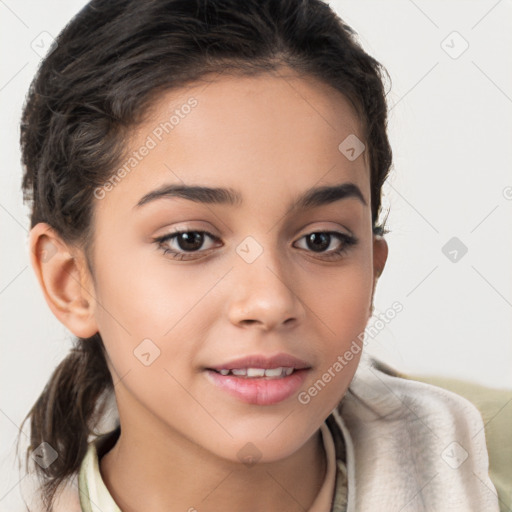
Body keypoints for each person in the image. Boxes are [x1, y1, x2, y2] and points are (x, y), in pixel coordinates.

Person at [15, 0, 507, 511]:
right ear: (71, 282)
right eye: (190, 240)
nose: (270, 301)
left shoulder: (489, 460)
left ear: (373, 270)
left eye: (322, 240)